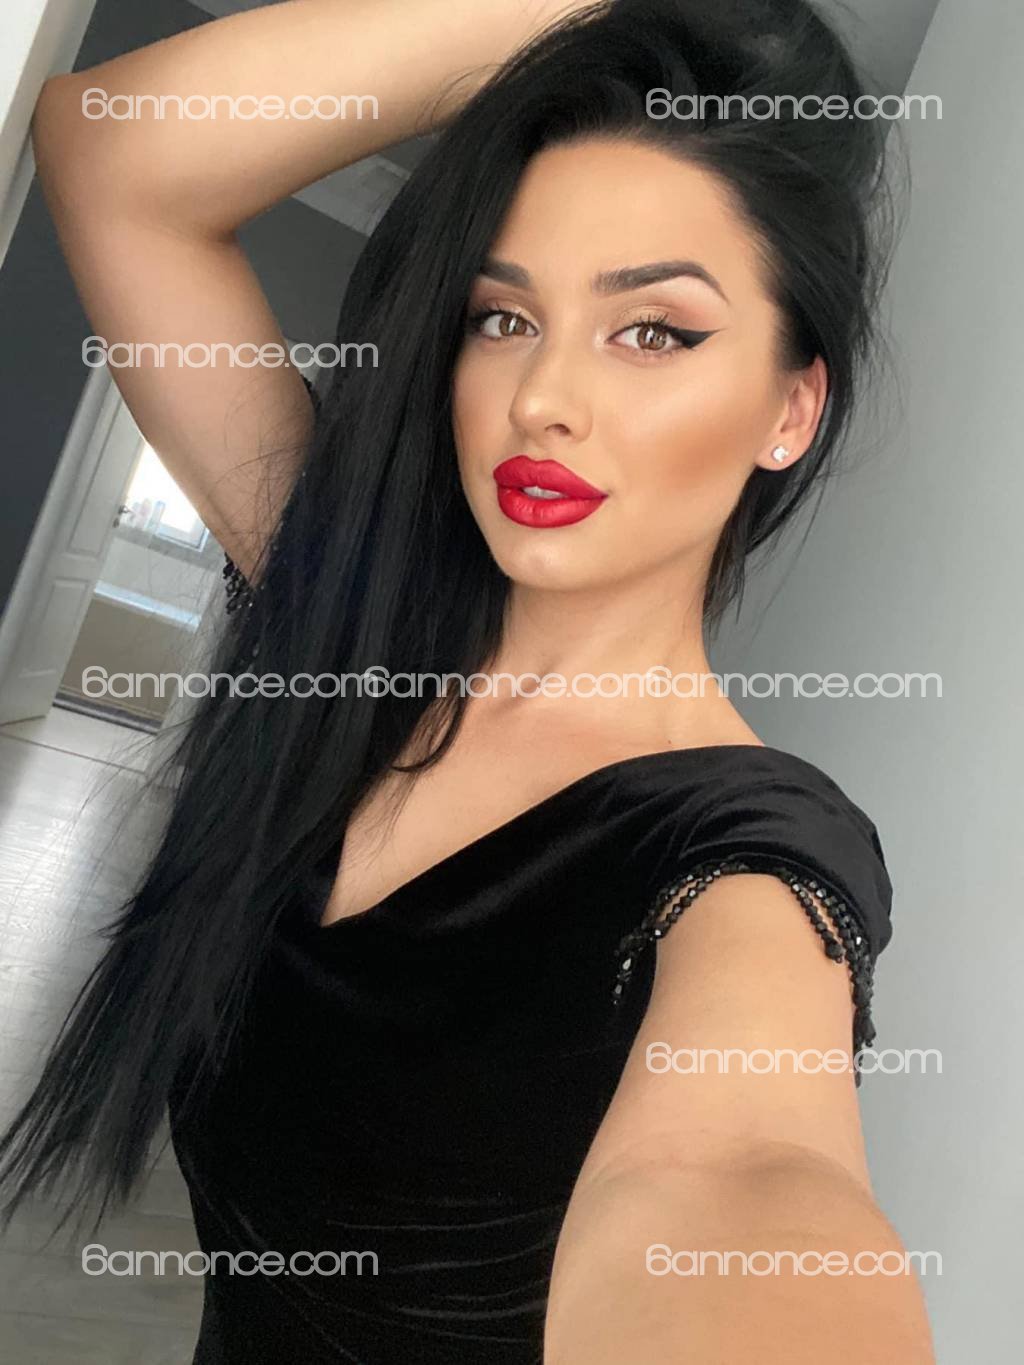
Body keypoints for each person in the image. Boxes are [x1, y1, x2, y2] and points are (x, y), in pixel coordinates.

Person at [1, 0, 933, 1360]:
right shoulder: (353, 630)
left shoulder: (749, 859)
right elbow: (111, 150)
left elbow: (744, 1170)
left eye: (654, 331)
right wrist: (629, 20)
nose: (541, 395)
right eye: (504, 315)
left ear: (791, 407)